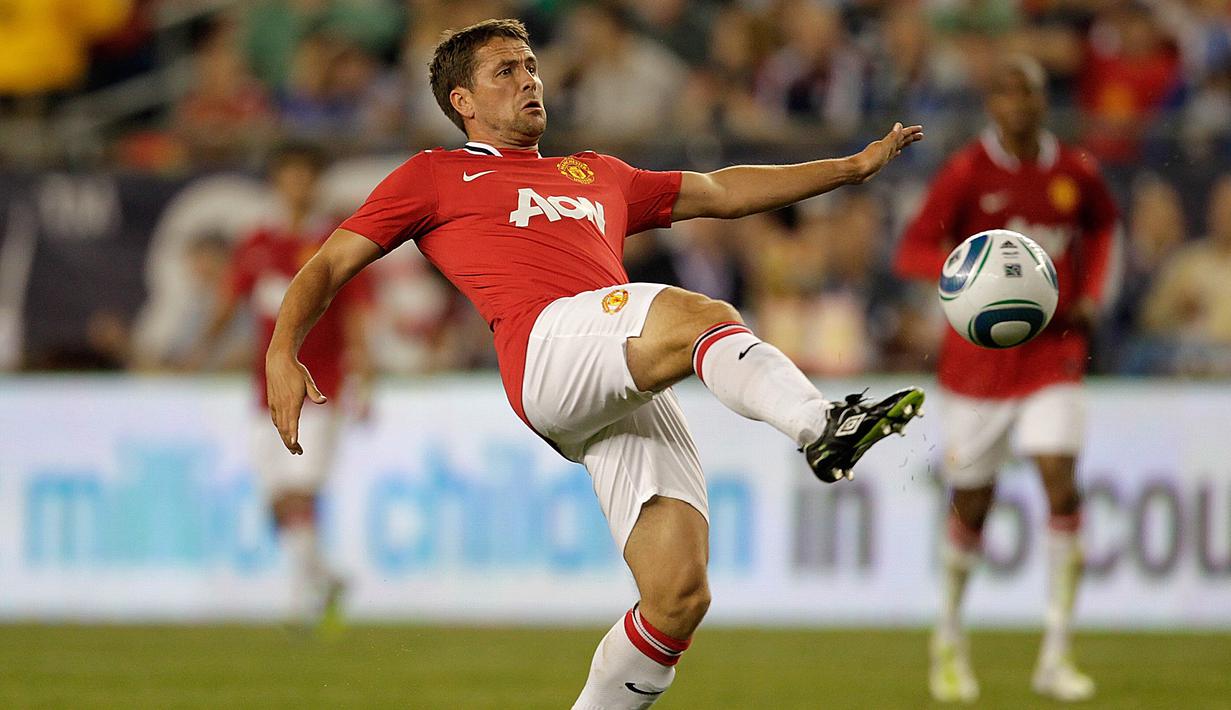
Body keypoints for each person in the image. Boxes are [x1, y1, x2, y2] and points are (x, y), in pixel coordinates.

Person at [264, 19, 924, 708]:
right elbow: (330, 263)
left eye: (530, 66)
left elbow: (720, 191)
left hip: (614, 371)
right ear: (462, 101)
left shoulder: (596, 173)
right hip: (542, 348)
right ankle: (822, 424)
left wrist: (849, 169)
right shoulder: (434, 174)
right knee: (700, 316)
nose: (528, 80)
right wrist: (284, 349)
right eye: (505, 71)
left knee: (677, 597)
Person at [895, 55, 1118, 703]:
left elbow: (1104, 227)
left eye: (1029, 92)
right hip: (977, 367)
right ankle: (948, 634)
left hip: (1054, 354)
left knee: (1060, 478)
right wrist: (968, 272)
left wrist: (1091, 293)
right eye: (1006, 92)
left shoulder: (1074, 170)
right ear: (990, 104)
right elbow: (911, 249)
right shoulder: (966, 172)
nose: (1018, 104)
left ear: (1044, 101)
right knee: (973, 504)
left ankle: (1056, 651)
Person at [189, 142, 373, 626]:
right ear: (276, 183)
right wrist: (198, 351)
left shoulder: (336, 242)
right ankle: (326, 578)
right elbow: (230, 301)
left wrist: (364, 376)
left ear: (316, 183)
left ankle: (299, 602)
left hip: (321, 386)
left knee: (300, 492)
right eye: (289, 177)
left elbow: (355, 313)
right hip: (266, 390)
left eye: (305, 177)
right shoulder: (257, 243)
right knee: (276, 501)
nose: (297, 187)